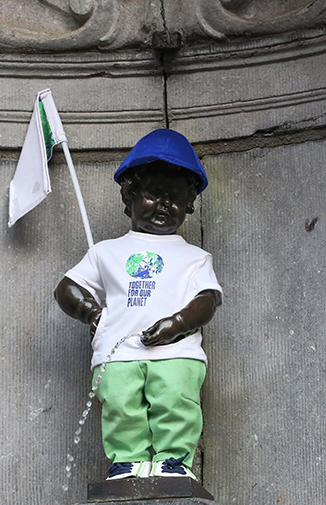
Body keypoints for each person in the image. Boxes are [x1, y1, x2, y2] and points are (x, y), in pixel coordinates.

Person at [54, 129, 222, 481]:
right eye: (153, 195)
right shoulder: (105, 252)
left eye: (175, 199)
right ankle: (127, 460)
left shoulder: (194, 257)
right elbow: (66, 289)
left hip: (175, 352)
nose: (164, 205)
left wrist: (178, 323)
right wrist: (90, 311)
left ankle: (173, 461)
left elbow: (207, 301)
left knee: (177, 402)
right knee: (120, 406)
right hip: (117, 355)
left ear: (189, 205)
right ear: (130, 195)